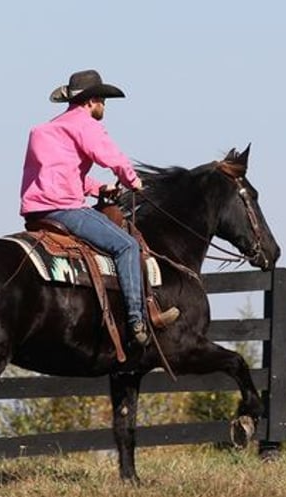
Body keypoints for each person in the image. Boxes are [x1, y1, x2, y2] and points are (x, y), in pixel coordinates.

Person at [19, 69, 179, 348]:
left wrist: (98, 189)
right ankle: (137, 319)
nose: (104, 106)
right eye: (103, 100)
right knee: (127, 246)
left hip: (36, 211)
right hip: (65, 209)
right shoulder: (85, 125)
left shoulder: (44, 130)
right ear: (92, 101)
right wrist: (134, 181)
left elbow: (59, 175)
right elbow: (112, 157)